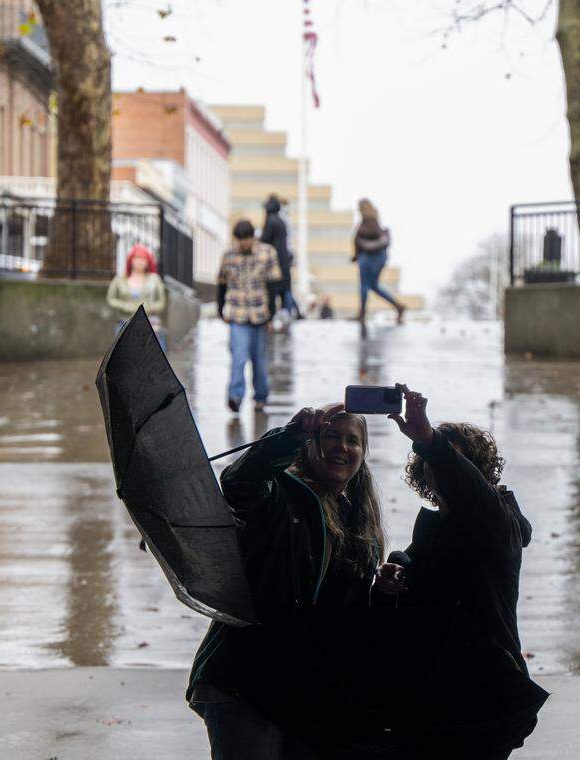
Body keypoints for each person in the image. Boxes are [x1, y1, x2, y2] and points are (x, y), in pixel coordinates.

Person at [187, 403, 386, 759]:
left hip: (306, 690)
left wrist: (390, 578)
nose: (342, 447)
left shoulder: (359, 522)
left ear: (363, 453)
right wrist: (289, 436)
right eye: (330, 436)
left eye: (352, 440)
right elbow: (239, 481)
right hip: (246, 681)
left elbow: (347, 610)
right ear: (310, 444)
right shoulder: (279, 494)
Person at [374, 384, 548, 757]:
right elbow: (418, 570)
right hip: (433, 693)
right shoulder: (436, 526)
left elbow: (470, 491)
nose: (439, 471)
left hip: (480, 695)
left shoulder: (496, 522)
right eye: (432, 464)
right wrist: (396, 569)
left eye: (450, 463)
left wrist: (430, 441)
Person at [218, 220, 283, 414]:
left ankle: (261, 397)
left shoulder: (267, 252)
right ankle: (235, 396)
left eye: (246, 239)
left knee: (259, 359)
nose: (243, 244)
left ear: (252, 236)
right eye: (240, 240)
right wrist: (221, 309)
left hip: (260, 313)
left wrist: (271, 315)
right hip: (237, 313)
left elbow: (273, 284)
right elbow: (221, 282)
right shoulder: (229, 255)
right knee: (238, 356)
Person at [352, 199, 406, 326]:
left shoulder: (368, 221)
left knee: (364, 286)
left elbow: (364, 238)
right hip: (378, 258)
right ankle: (398, 306)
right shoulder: (374, 219)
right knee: (374, 286)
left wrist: (360, 244)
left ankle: (362, 313)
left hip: (368, 257)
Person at [106, 243, 167, 344]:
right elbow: (110, 299)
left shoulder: (154, 279)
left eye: (143, 258)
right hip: (124, 323)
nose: (139, 261)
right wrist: (125, 306)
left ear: (148, 262)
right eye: (137, 258)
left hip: (149, 324)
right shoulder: (119, 280)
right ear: (131, 260)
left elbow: (162, 302)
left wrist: (147, 308)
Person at [259, 194, 301, 319]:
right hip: (284, 259)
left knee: (274, 290)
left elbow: (265, 239)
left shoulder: (271, 220)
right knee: (285, 290)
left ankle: (278, 315)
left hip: (275, 260)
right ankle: (290, 313)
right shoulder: (281, 219)